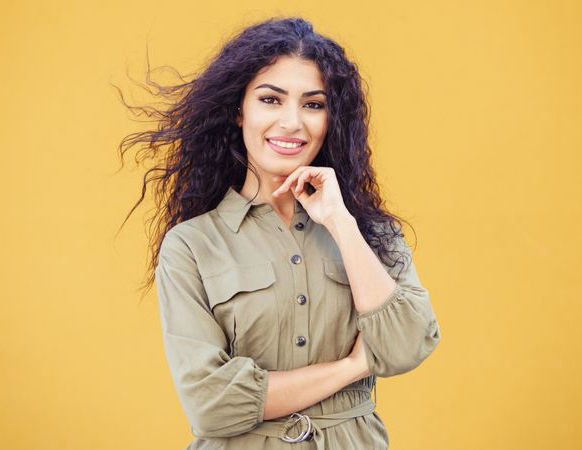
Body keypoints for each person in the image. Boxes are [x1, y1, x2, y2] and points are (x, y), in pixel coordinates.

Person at [118, 16, 440, 450]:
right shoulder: (192, 246)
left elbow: (406, 346)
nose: (292, 122)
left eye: (313, 104)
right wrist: (354, 366)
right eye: (271, 99)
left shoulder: (370, 232)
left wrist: (342, 223)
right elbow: (211, 404)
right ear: (239, 110)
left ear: (331, 119)